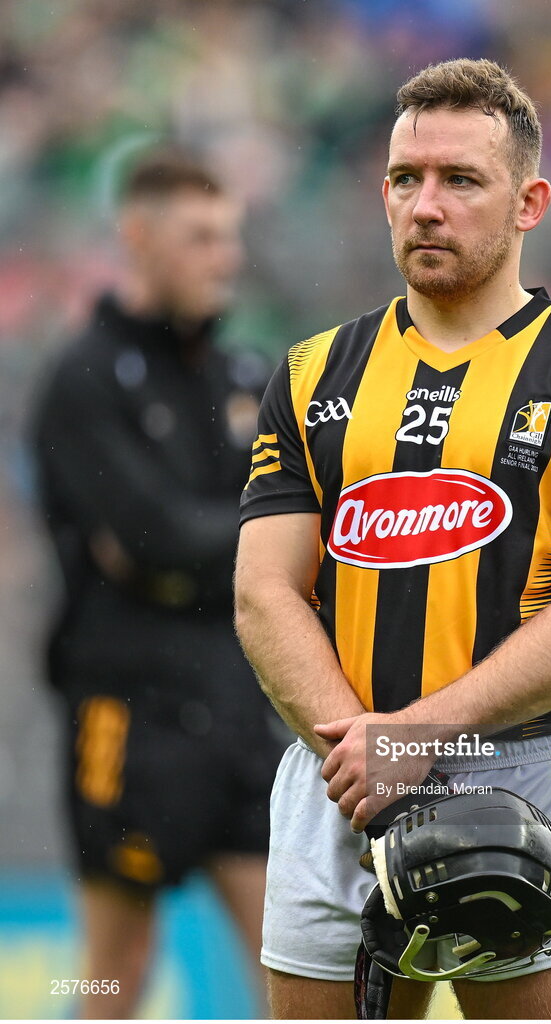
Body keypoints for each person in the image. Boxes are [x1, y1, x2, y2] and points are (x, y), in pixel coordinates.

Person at [235, 58, 551, 1021]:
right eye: (405, 179)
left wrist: (421, 735)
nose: (425, 205)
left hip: (518, 772)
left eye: (460, 180)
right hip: (337, 773)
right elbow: (264, 593)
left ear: (530, 203)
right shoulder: (313, 371)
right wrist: (365, 755)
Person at [31, 150, 290, 1018]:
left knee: (292, 954)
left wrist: (200, 551)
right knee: (111, 969)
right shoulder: (86, 377)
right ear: (137, 238)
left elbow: (249, 539)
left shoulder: (246, 376)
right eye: (200, 237)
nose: (225, 258)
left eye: (229, 237)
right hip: (126, 709)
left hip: (234, 698)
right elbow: (158, 539)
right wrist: (237, 543)